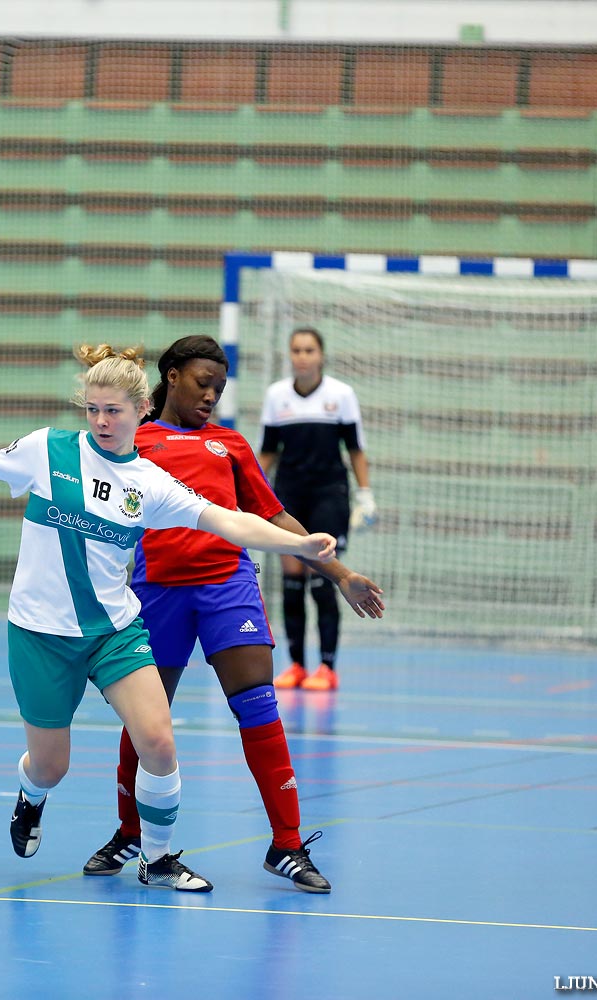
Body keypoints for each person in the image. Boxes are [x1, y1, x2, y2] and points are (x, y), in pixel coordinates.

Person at [0, 344, 340, 893]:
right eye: (92, 409)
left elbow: (228, 522)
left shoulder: (149, 482)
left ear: (141, 409)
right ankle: (32, 796)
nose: (101, 421)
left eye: (113, 410)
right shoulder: (47, 450)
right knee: (51, 766)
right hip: (41, 635)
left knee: (158, 741)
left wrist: (300, 543)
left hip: (114, 632)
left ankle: (158, 860)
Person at [82, 335, 383, 894]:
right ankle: (130, 832)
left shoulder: (232, 445)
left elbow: (274, 518)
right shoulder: (133, 441)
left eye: (220, 387)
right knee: (146, 722)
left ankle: (286, 844)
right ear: (170, 377)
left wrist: (340, 574)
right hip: (156, 593)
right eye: (203, 383)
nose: (212, 396)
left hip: (228, 588)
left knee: (259, 708)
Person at [258, 326, 375, 693]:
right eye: (296, 350)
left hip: (329, 494)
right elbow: (267, 452)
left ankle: (326, 666)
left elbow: (355, 449)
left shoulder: (341, 395)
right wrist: (250, 493)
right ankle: (294, 665)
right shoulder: (276, 396)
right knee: (292, 581)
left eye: (309, 350)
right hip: (289, 495)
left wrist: (365, 494)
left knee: (325, 577)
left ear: (321, 355)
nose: (302, 356)